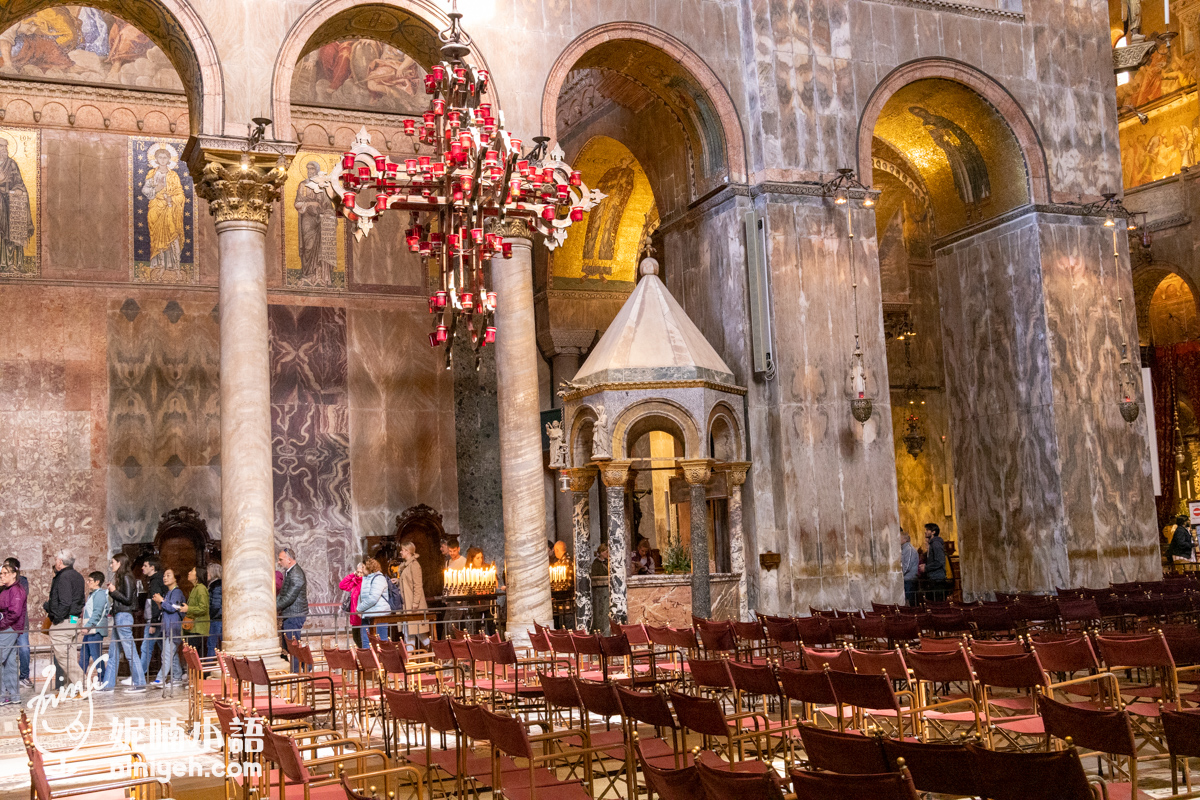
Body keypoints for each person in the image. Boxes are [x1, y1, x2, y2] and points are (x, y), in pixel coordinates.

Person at [102, 553, 145, 693]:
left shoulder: (127, 577)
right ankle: (108, 685)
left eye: (113, 562)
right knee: (113, 652)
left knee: (130, 650)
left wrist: (114, 592)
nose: (111, 565)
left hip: (124, 617)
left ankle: (139, 683)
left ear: (119, 563)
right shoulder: (123, 577)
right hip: (119, 616)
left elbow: (127, 600)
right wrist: (113, 592)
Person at [44, 549, 85, 687]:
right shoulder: (78, 576)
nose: (55, 561)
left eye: (56, 559)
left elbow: (65, 602)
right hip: (73, 619)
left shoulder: (64, 577)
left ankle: (82, 685)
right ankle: (71, 687)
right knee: (71, 655)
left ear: (60, 562)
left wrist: (56, 618)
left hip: (64, 621)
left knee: (64, 656)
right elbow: (79, 600)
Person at [0, 559, 27, 705]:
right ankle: (14, 696)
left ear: (13, 574)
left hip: (9, 628)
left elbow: (14, 613)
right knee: (9, 662)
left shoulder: (16, 590)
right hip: (8, 627)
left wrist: (1, 625)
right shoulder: (6, 589)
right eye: (1, 574)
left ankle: (2, 696)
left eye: (5, 574)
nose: (2, 576)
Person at [277, 547, 308, 670]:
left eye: (281, 560)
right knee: (291, 643)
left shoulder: (296, 574)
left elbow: (289, 597)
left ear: (289, 560)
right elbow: (283, 594)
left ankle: (297, 672)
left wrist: (274, 608)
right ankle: (306, 666)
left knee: (293, 644)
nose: (279, 562)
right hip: (290, 613)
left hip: (295, 614)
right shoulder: (290, 572)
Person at [154, 569, 186, 686]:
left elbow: (174, 608)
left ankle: (160, 679)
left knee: (167, 654)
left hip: (174, 627)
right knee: (171, 654)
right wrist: (159, 602)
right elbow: (166, 608)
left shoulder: (177, 592)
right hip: (168, 627)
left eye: (168, 575)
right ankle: (177, 677)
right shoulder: (169, 592)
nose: (165, 578)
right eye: (164, 575)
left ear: (175, 579)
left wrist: (162, 600)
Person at [398, 541, 429, 649]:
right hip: (407, 604)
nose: (401, 552)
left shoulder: (414, 565)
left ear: (407, 551)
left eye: (402, 550)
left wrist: (415, 603)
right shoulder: (406, 566)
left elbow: (417, 585)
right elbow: (407, 582)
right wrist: (397, 581)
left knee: (416, 631)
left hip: (413, 605)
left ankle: (435, 652)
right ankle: (410, 659)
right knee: (410, 631)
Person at [138, 556, 165, 679]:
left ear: (152, 567)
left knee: (146, 647)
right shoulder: (156, 580)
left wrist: (153, 623)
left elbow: (155, 602)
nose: (142, 568)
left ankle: (139, 676)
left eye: (145, 566)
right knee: (164, 646)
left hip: (155, 620)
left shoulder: (155, 581)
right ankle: (178, 673)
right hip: (159, 619)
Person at [78, 571, 109, 676]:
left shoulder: (100, 594)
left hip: (95, 630)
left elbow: (97, 613)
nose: (88, 583)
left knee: (96, 656)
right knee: (84, 656)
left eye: (90, 581)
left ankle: (102, 680)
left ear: (97, 582)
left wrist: (87, 627)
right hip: (91, 630)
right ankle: (79, 679)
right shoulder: (92, 595)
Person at [6, 558, 30, 689]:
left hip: (20, 623)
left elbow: (20, 597)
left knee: (24, 649)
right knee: (7, 652)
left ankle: (24, 676)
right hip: (6, 623)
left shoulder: (23, 582)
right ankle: (8, 679)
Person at [356, 559, 391, 644]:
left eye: (363, 567)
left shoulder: (379, 578)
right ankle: (368, 657)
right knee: (366, 641)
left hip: (379, 614)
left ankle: (383, 657)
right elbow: (361, 596)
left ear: (369, 567)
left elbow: (373, 598)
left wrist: (359, 608)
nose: (362, 569)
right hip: (367, 614)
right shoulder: (366, 578)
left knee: (381, 641)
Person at [184, 567, 210, 657]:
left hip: (199, 628)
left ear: (197, 575)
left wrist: (188, 609)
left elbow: (203, 608)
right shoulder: (195, 589)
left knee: (196, 656)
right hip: (193, 627)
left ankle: (201, 672)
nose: (189, 572)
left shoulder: (201, 589)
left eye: (192, 571)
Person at [339, 563, 365, 644]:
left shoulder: (365, 583)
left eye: (361, 572)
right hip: (354, 616)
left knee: (362, 640)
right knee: (356, 639)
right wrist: (352, 574)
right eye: (358, 572)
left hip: (362, 616)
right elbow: (342, 585)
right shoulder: (355, 581)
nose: (359, 574)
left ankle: (365, 656)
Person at [921, 523, 947, 601]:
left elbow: (939, 561)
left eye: (928, 530)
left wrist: (926, 567)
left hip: (937, 580)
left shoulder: (936, 544)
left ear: (933, 532)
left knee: (938, 604)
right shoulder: (932, 544)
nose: (925, 532)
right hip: (934, 578)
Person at [900, 529, 919, 607]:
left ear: (905, 539)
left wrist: (899, 575)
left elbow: (907, 566)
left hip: (909, 580)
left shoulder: (909, 549)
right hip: (906, 579)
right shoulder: (904, 549)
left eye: (899, 537)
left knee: (910, 602)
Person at [206, 563, 222, 656]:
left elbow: (216, 604)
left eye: (208, 572)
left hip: (217, 619)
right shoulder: (215, 585)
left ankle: (210, 668)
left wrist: (210, 614)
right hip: (217, 618)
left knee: (212, 645)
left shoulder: (216, 586)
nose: (207, 574)